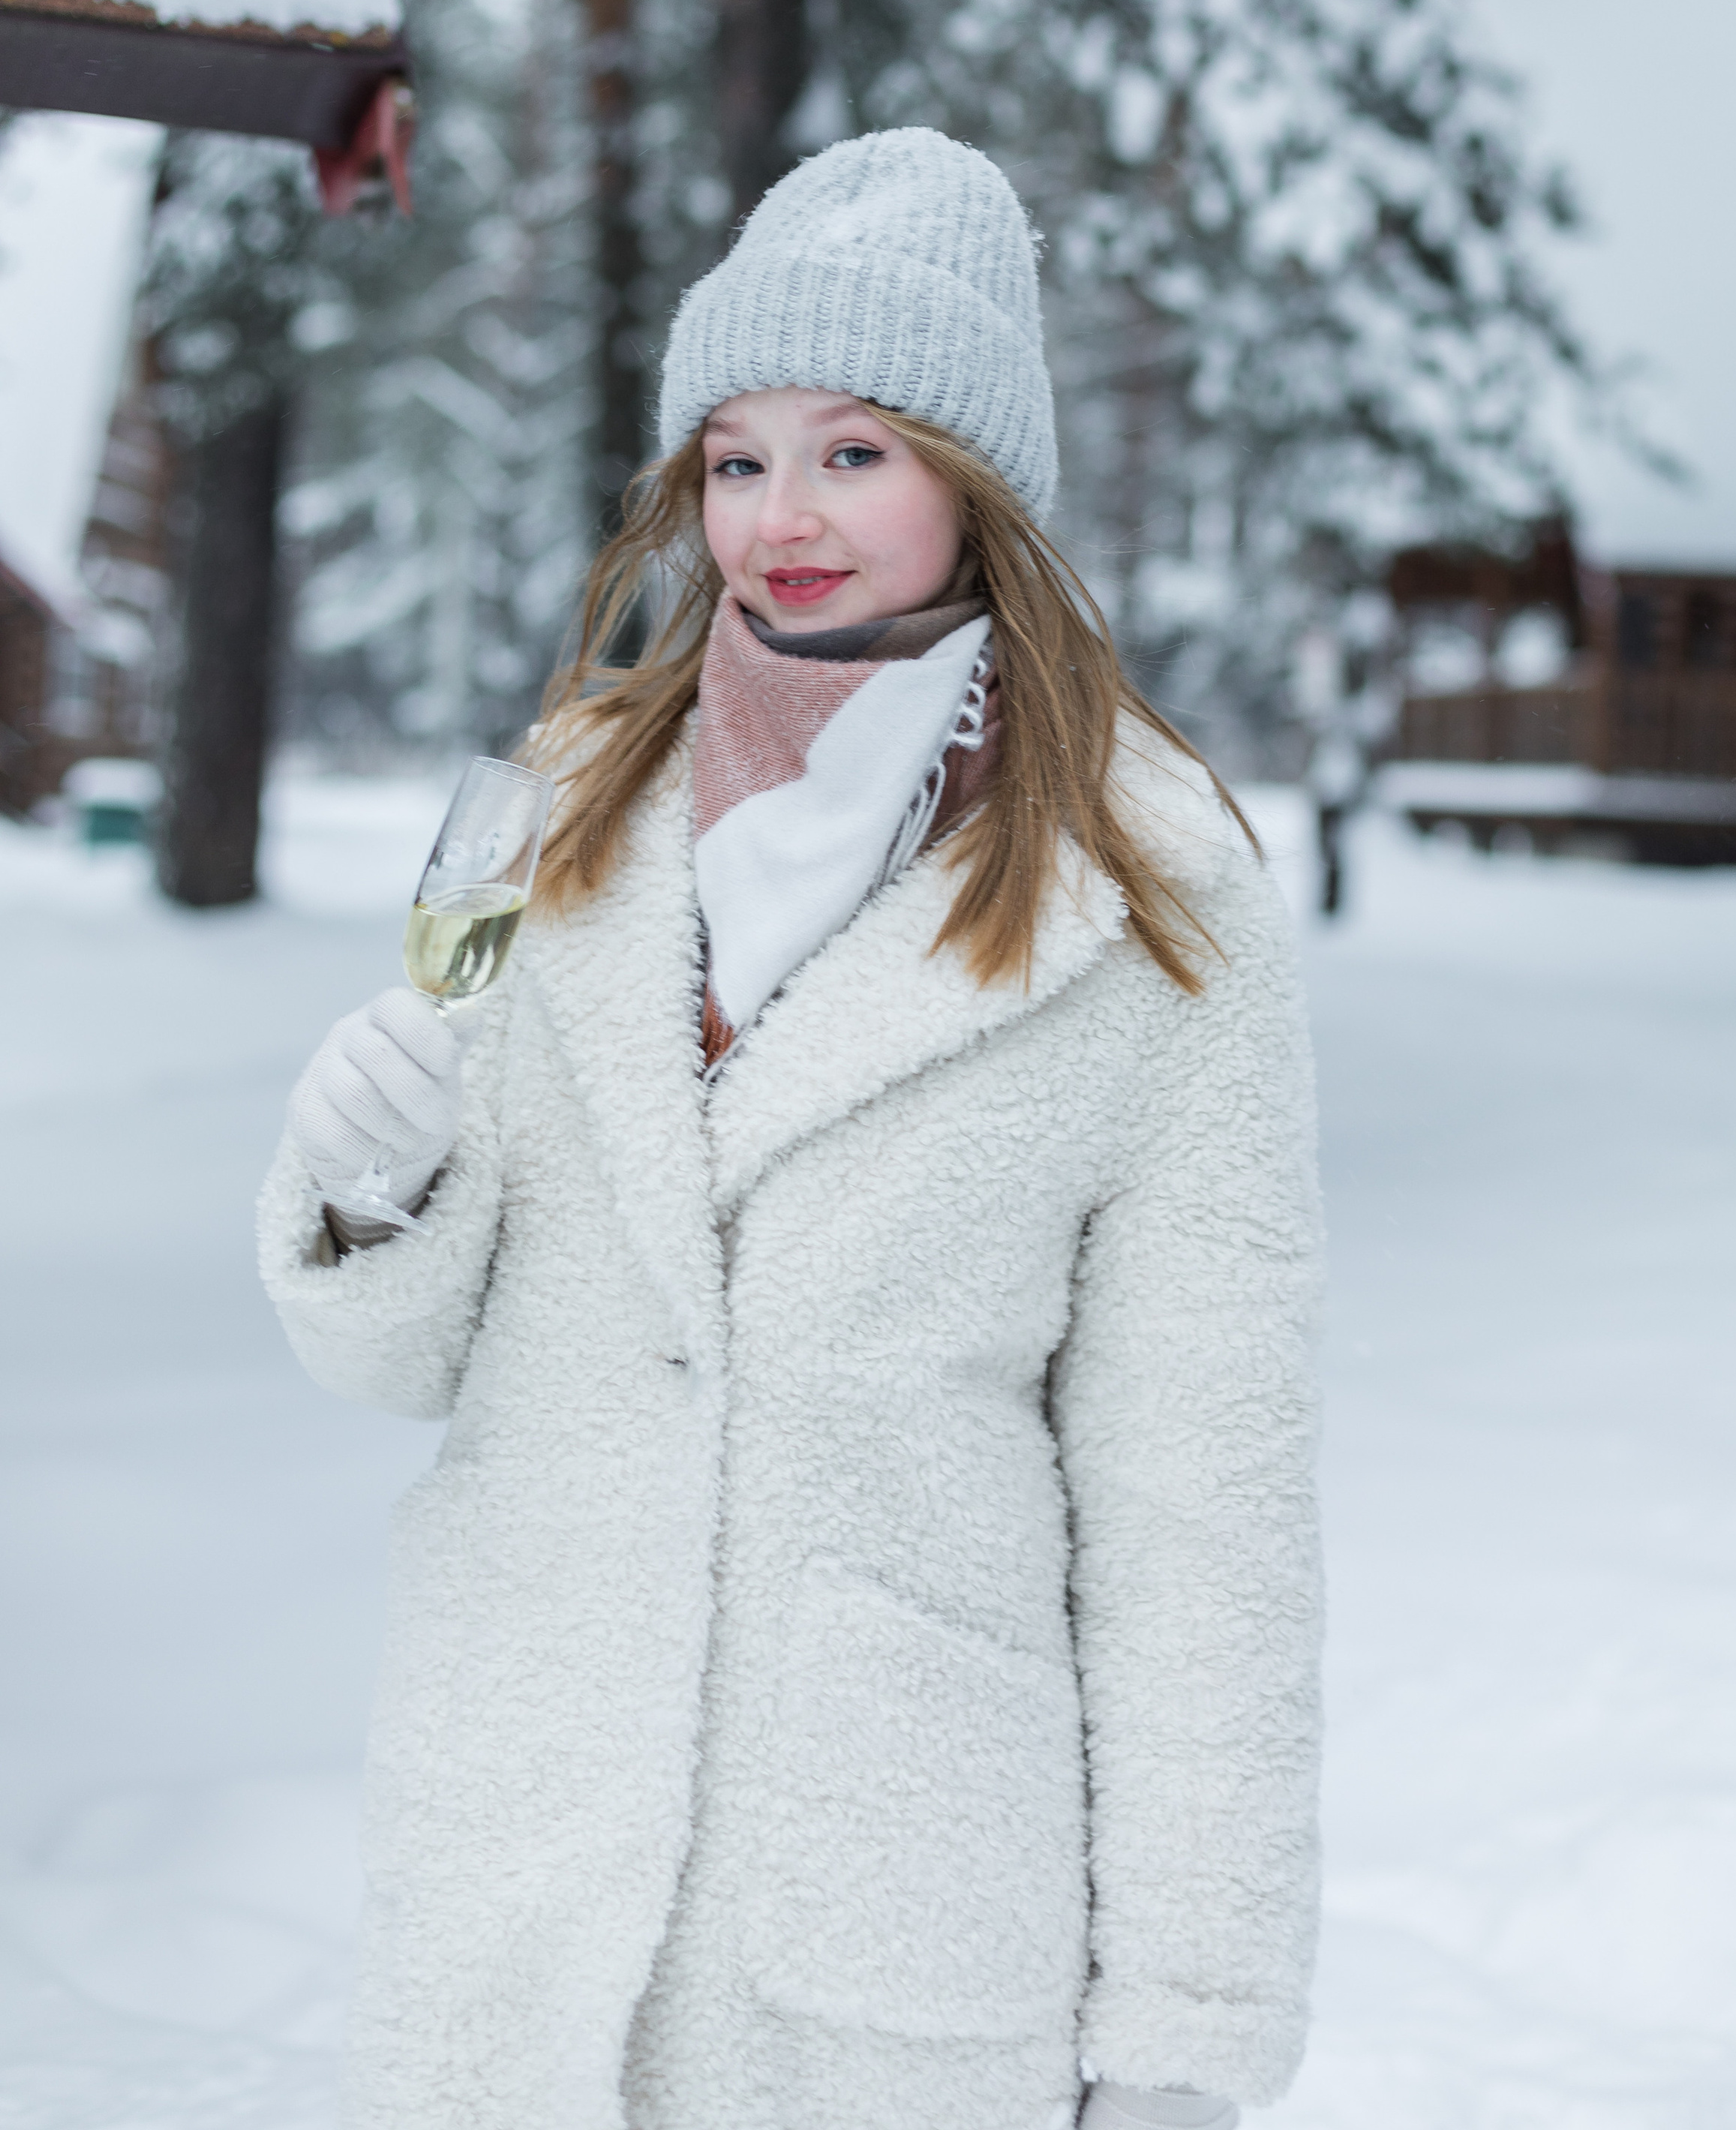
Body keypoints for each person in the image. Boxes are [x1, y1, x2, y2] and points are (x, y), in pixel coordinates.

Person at [262, 129, 1324, 2130]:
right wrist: (366, 1192)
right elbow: (400, 1363)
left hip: (887, 1910)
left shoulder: (1150, 896)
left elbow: (1212, 1514)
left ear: (975, 476)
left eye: (853, 451)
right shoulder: (561, 814)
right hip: (522, 1889)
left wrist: (1189, 2029)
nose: (781, 517)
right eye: (736, 458)